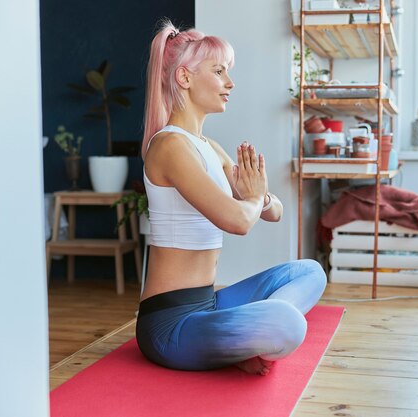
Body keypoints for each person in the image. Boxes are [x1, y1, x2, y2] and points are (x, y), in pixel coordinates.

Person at [135, 19, 327, 376]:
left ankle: (246, 339)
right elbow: (238, 221)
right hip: (170, 324)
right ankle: (251, 338)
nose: (230, 83)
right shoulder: (169, 146)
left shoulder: (209, 147)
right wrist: (253, 200)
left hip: (209, 302)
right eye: (219, 71)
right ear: (185, 78)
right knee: (287, 324)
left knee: (310, 272)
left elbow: (275, 212)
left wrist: (260, 198)